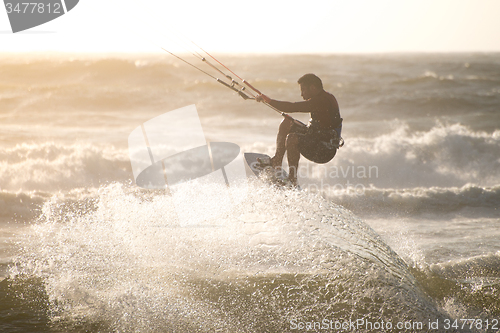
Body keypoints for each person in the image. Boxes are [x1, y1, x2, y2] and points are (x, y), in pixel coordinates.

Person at [255, 73, 342, 186]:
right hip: (315, 138)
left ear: (313, 88)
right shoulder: (319, 98)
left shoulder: (323, 101)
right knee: (287, 122)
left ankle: (292, 179)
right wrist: (269, 101)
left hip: (324, 149)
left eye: (303, 90)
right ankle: (277, 160)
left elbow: (293, 107)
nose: (301, 94)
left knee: (292, 138)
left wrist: (269, 101)